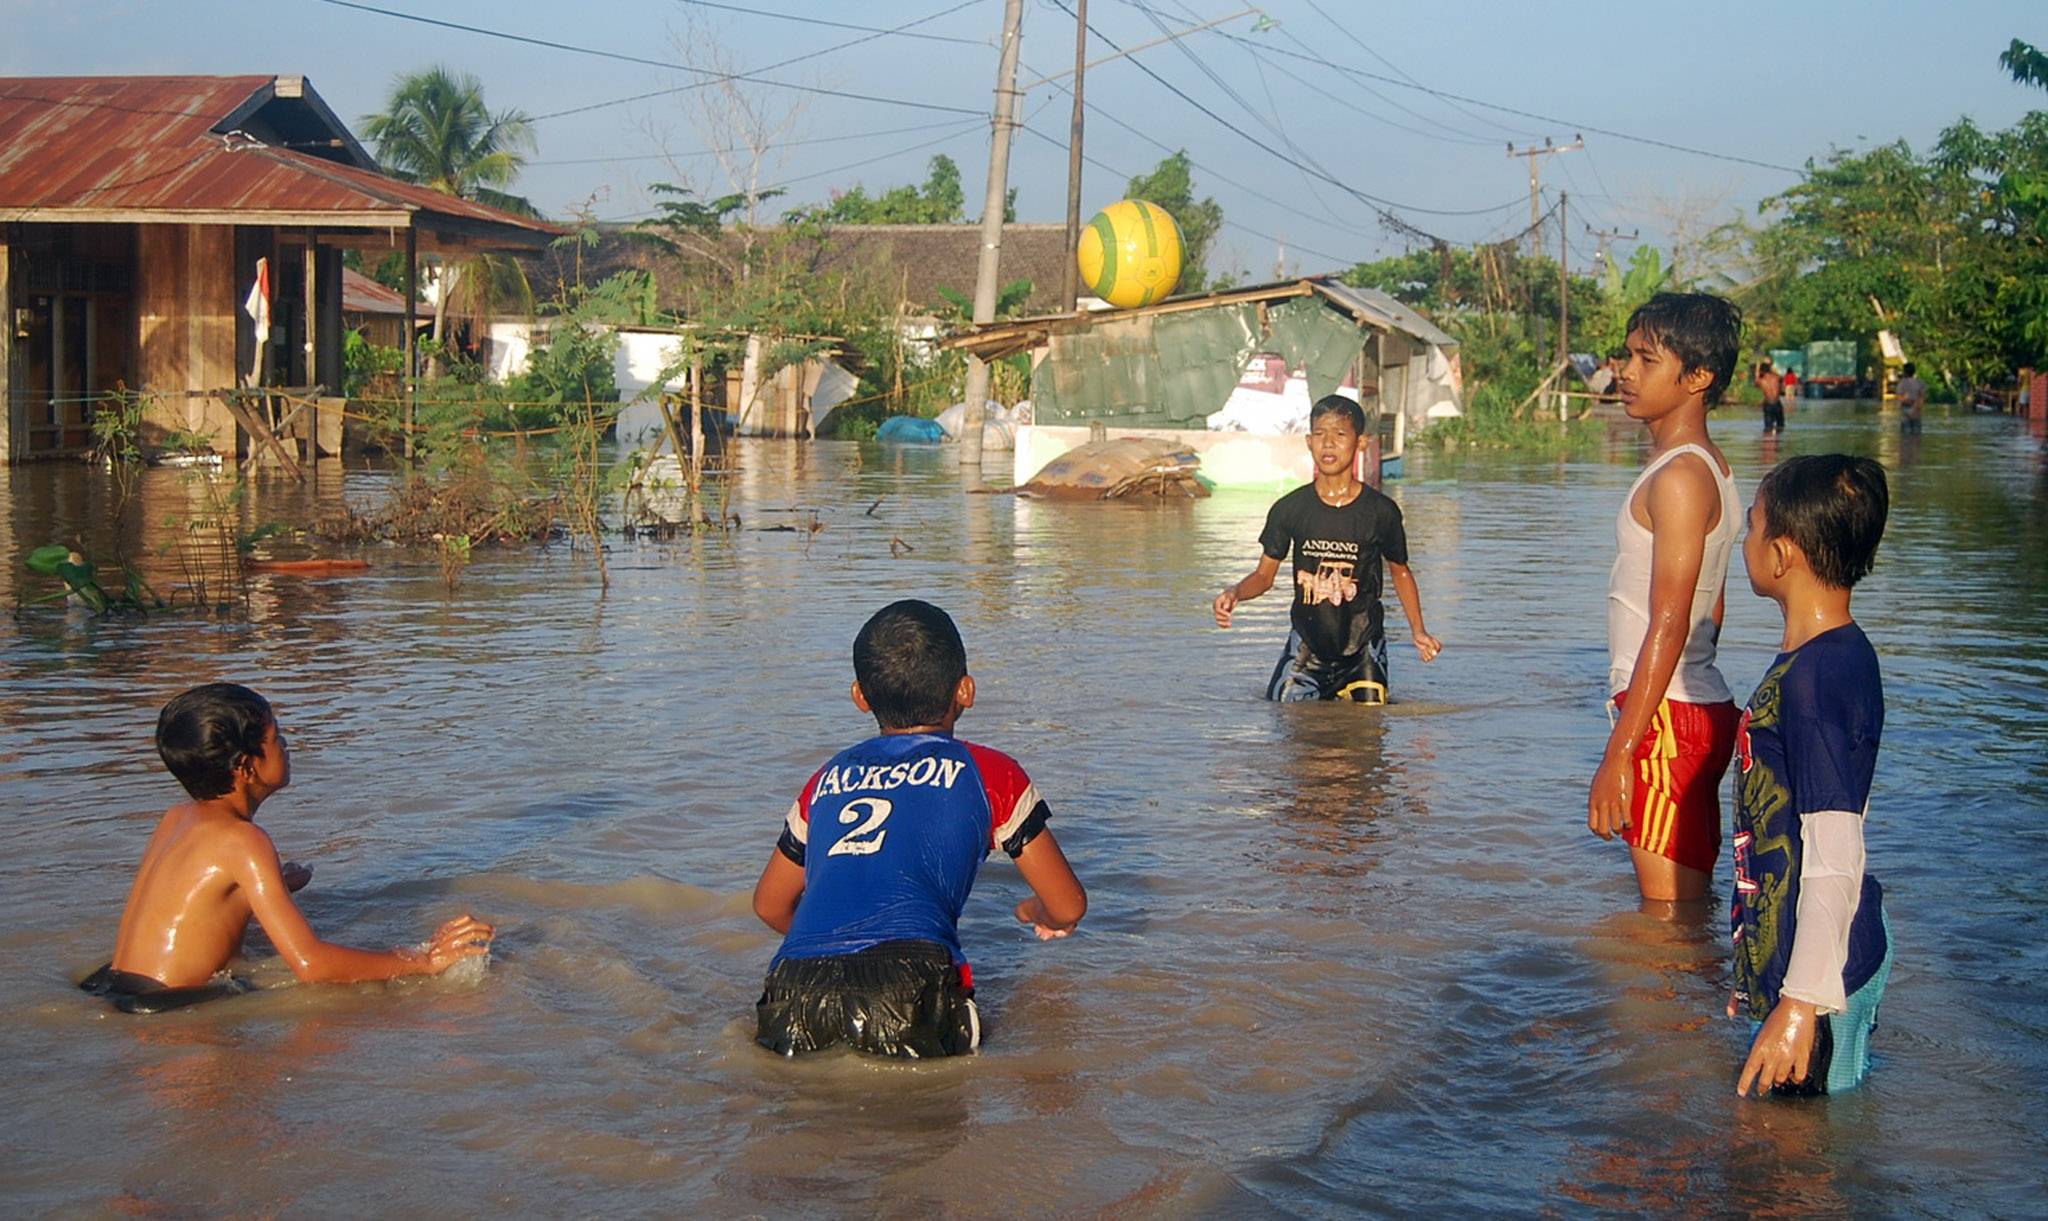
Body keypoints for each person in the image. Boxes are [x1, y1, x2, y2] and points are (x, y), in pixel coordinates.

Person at [750, 599, 1087, 1058]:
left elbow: (769, 904)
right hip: (909, 986)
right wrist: (1036, 912)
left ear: (860, 696)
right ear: (965, 690)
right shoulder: (990, 772)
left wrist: (833, 953)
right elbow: (1068, 905)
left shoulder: (826, 778)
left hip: (793, 986)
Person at [86, 683, 494, 1013]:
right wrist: (425, 961)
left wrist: (267, 887)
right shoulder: (246, 842)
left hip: (113, 985)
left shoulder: (177, 817)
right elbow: (312, 965)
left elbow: (197, 897)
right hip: (171, 1011)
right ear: (246, 767)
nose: (286, 745)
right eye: (276, 737)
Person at [1730, 454, 1892, 1097]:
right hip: (1820, 960)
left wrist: (1798, 1003)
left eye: (1751, 526)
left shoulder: (1813, 682)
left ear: (1782, 555)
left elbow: (1834, 848)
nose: (1744, 541)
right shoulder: (1836, 653)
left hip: (1821, 980)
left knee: (1794, 1175)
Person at [1589, 293, 1744, 903]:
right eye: (1626, 356)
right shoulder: (1706, 467)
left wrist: (1619, 752)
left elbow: (1672, 618)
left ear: (1698, 377)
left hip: (1665, 718)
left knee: (1660, 930)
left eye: (1645, 360)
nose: (1625, 372)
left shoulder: (1680, 478)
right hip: (1691, 706)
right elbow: (1716, 609)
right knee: (1686, 909)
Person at [1213, 394, 1443, 704]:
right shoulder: (1289, 509)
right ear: (1309, 442)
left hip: (1363, 649)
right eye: (1320, 434)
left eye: (1339, 434)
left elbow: (1400, 571)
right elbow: (1264, 576)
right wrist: (1235, 593)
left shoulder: (1381, 512)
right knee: (1282, 719)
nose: (1329, 444)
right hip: (1307, 648)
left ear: (1360, 442)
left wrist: (1418, 630)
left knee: (1369, 737)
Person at [1754, 360, 1785, 434]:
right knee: (1781, 426)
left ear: (1761, 371)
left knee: (1768, 428)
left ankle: (1768, 443)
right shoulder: (1777, 378)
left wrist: (1757, 367)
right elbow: (1781, 378)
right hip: (1777, 403)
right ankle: (1778, 442)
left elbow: (1756, 379)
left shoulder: (1761, 381)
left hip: (1768, 404)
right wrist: (1771, 368)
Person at [1896, 362, 1927, 434]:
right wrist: (1917, 408)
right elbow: (1922, 398)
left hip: (1905, 411)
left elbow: (1900, 398)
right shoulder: (1920, 383)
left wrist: (1907, 400)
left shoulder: (1901, 384)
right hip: (1917, 411)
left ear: (1905, 372)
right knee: (1917, 436)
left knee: (1906, 437)